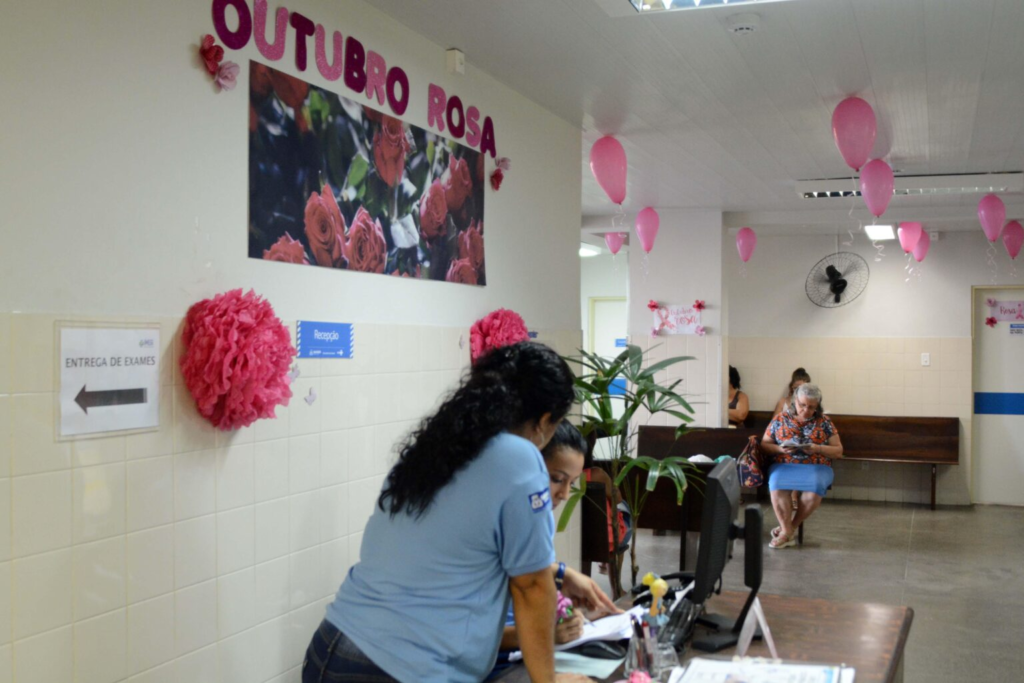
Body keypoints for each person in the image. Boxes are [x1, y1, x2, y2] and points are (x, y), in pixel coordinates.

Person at [302, 342, 613, 683]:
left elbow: (452, 550)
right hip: (401, 668)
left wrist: (559, 573)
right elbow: (531, 588)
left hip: (330, 650)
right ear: (542, 421)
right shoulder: (521, 457)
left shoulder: (437, 448)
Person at [497, 422, 590, 655]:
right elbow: (468, 639)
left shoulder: (541, 517)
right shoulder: (491, 525)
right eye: (557, 479)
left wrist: (566, 618)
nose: (565, 494)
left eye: (572, 483)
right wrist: (542, 633)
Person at [760, 383, 843, 549]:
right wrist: (780, 449)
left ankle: (788, 530)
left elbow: (838, 451)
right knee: (777, 484)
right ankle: (787, 531)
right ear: (794, 401)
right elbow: (764, 445)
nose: (806, 410)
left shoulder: (824, 421)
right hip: (785, 464)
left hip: (817, 465)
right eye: (802, 405)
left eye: (811, 407)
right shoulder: (780, 419)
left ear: (818, 406)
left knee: (814, 489)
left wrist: (818, 448)